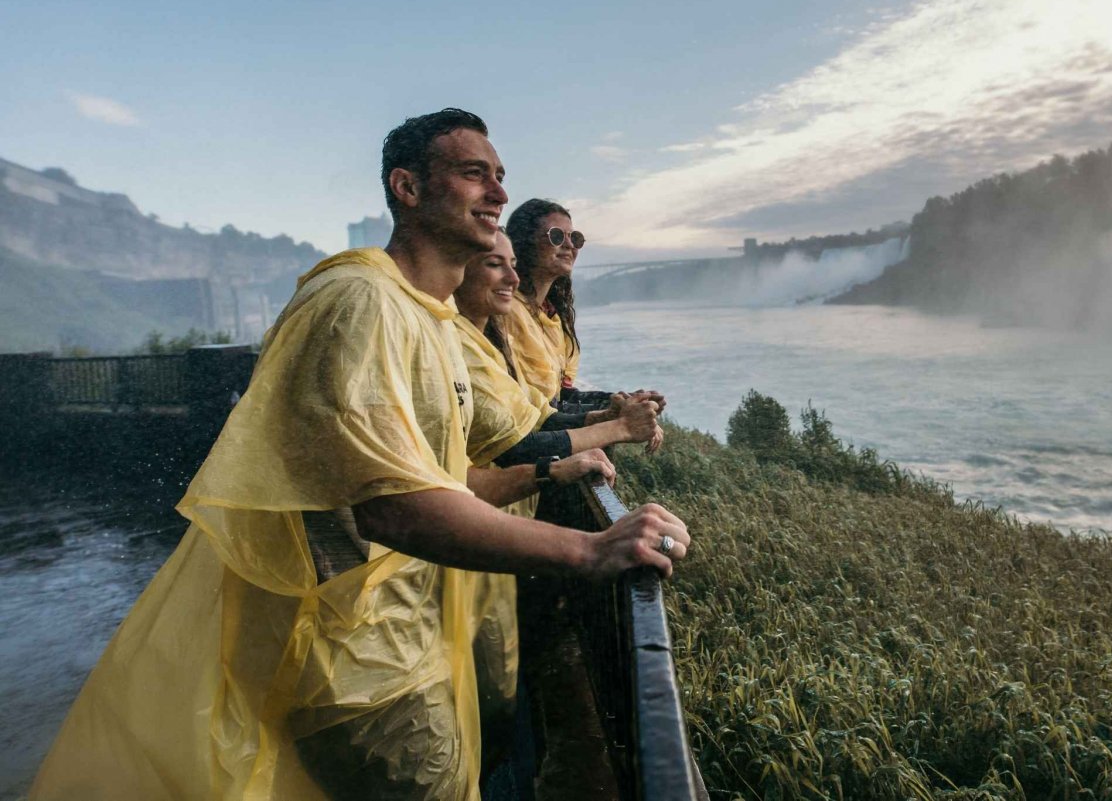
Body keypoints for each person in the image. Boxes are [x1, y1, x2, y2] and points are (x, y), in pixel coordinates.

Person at [29, 108, 690, 801]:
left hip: (409, 639)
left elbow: (449, 477)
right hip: (357, 664)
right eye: (473, 174)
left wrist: (563, 462)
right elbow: (395, 508)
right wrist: (588, 549)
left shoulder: (426, 317)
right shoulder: (359, 302)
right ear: (406, 188)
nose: (497, 194)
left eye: (500, 177)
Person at [451, 230, 661, 772]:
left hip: (493, 536)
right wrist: (613, 426)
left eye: (578, 237)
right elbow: (516, 443)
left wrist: (604, 418)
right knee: (485, 700)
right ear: (457, 268)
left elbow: (535, 417)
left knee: (495, 687)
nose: (513, 279)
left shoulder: (487, 338)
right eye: (496, 264)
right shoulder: (461, 342)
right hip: (474, 544)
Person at [502, 199, 667, 443]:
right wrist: (615, 419)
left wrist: (627, 402)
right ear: (525, 242)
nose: (569, 245)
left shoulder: (554, 318)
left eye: (575, 238)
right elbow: (525, 413)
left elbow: (562, 398)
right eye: (557, 236)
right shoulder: (506, 312)